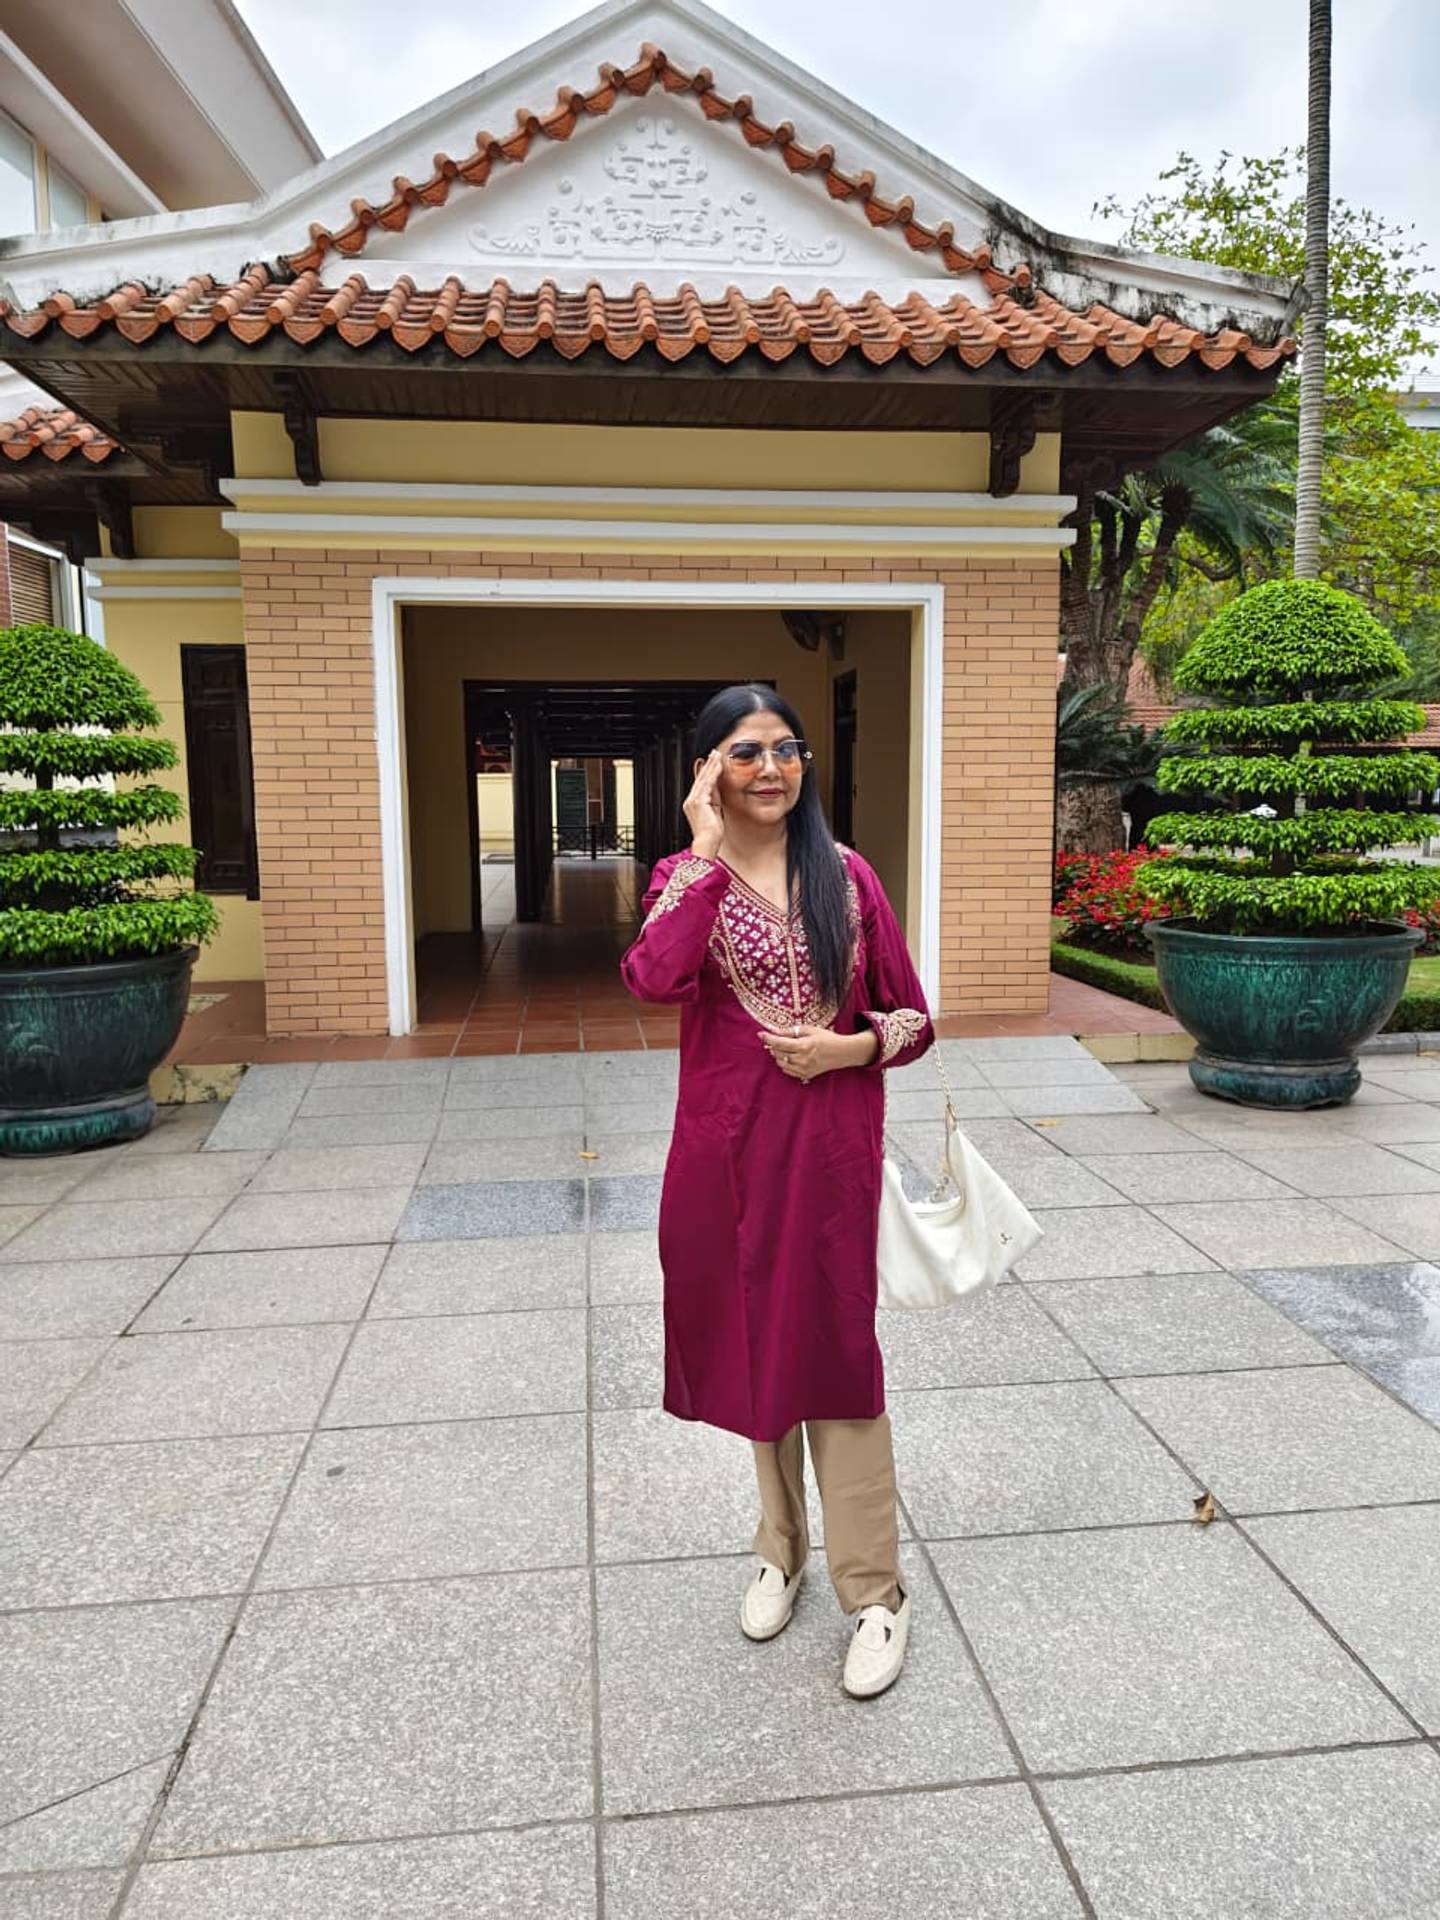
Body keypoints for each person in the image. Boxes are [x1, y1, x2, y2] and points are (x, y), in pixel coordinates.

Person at [620, 683, 935, 1699]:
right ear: (709, 771)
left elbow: (913, 1020)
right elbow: (651, 980)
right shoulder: (685, 879)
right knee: (760, 1345)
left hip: (830, 1154)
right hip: (726, 1158)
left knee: (837, 1350)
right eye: (747, 752)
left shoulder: (847, 876)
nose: (772, 768)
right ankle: (779, 1550)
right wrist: (705, 854)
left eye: (787, 749)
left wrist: (849, 1048)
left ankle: (875, 1593)